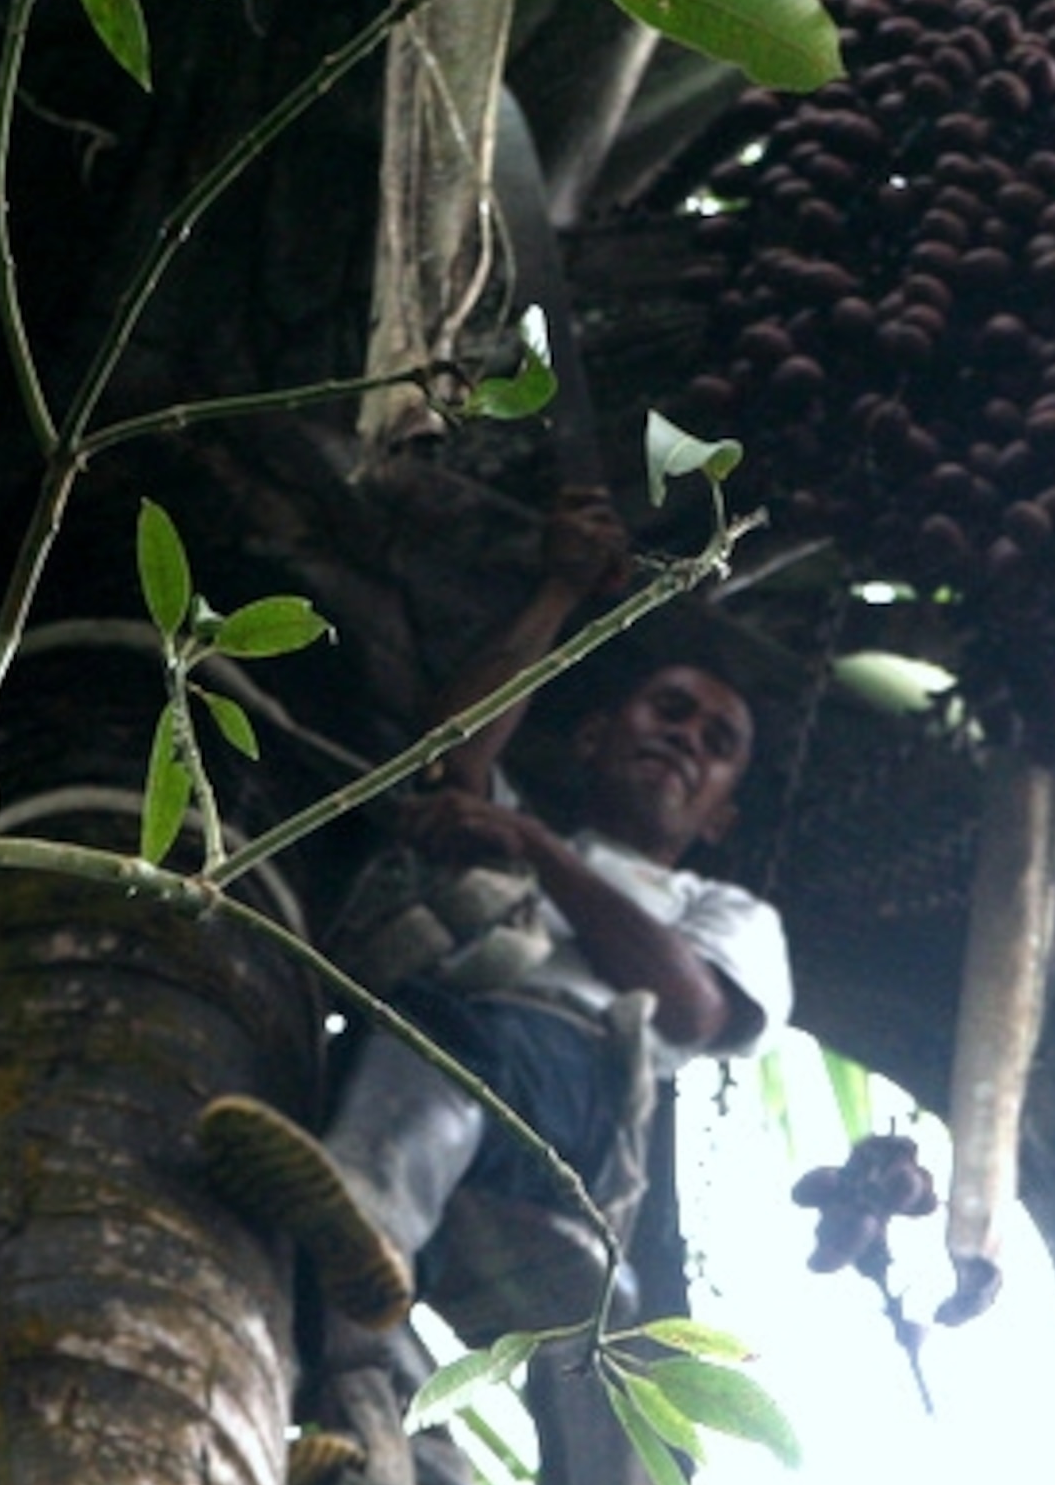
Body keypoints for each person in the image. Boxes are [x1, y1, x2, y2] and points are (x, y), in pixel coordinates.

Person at [196, 496, 793, 1342]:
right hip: (440, 1091)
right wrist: (560, 587)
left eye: (717, 740)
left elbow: (691, 1007)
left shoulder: (722, 909)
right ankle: (385, 1438)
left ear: (719, 818)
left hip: (572, 1102)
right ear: (594, 736)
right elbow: (449, 755)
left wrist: (534, 846)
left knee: (426, 1074)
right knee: (345, 1178)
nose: (687, 737)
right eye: (668, 709)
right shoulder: (514, 827)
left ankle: (365, 1211)